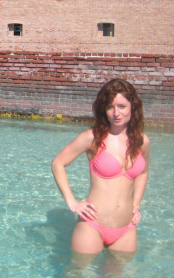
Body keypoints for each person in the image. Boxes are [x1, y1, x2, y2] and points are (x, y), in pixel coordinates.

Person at [51, 78, 151, 255]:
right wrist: (72, 203)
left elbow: (143, 172)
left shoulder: (142, 141)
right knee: (77, 273)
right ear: (103, 110)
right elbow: (58, 163)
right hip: (92, 225)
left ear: (132, 107)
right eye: (110, 107)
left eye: (122, 106)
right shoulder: (93, 138)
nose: (116, 113)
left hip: (126, 228)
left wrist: (136, 204)